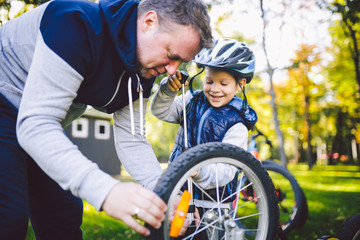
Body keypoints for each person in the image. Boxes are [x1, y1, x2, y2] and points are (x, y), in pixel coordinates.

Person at [0, 0, 213, 238]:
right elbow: (36, 124)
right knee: (8, 217)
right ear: (149, 22)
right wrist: (108, 191)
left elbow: (132, 139)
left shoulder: (142, 68)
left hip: (38, 123)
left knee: (63, 214)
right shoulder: (75, 24)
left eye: (180, 62)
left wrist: (166, 192)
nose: (172, 70)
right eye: (171, 55)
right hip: (6, 102)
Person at [150, 38, 257, 232]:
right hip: (179, 192)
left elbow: (227, 170)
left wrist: (198, 170)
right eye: (209, 81)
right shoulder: (193, 100)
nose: (215, 89)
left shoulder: (237, 125)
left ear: (240, 84)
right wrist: (166, 91)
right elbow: (161, 111)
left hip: (214, 204)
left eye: (224, 83)